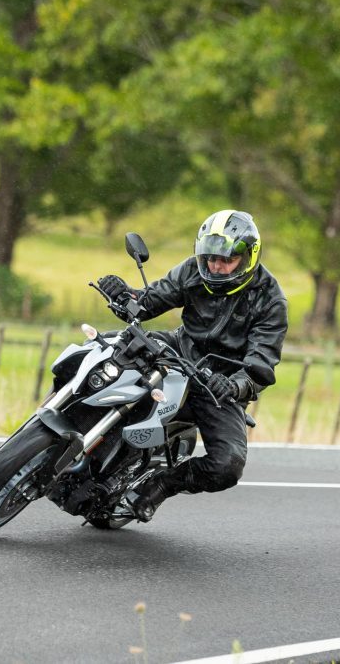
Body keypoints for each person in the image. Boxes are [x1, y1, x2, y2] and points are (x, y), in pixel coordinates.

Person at [97, 210, 288, 522]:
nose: (215, 265)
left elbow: (261, 365)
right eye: (210, 258)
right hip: (178, 351)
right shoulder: (193, 271)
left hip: (219, 385)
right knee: (107, 346)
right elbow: (149, 300)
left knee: (227, 466)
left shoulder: (270, 301)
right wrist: (123, 294)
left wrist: (236, 385)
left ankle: (162, 484)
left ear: (248, 256)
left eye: (225, 259)